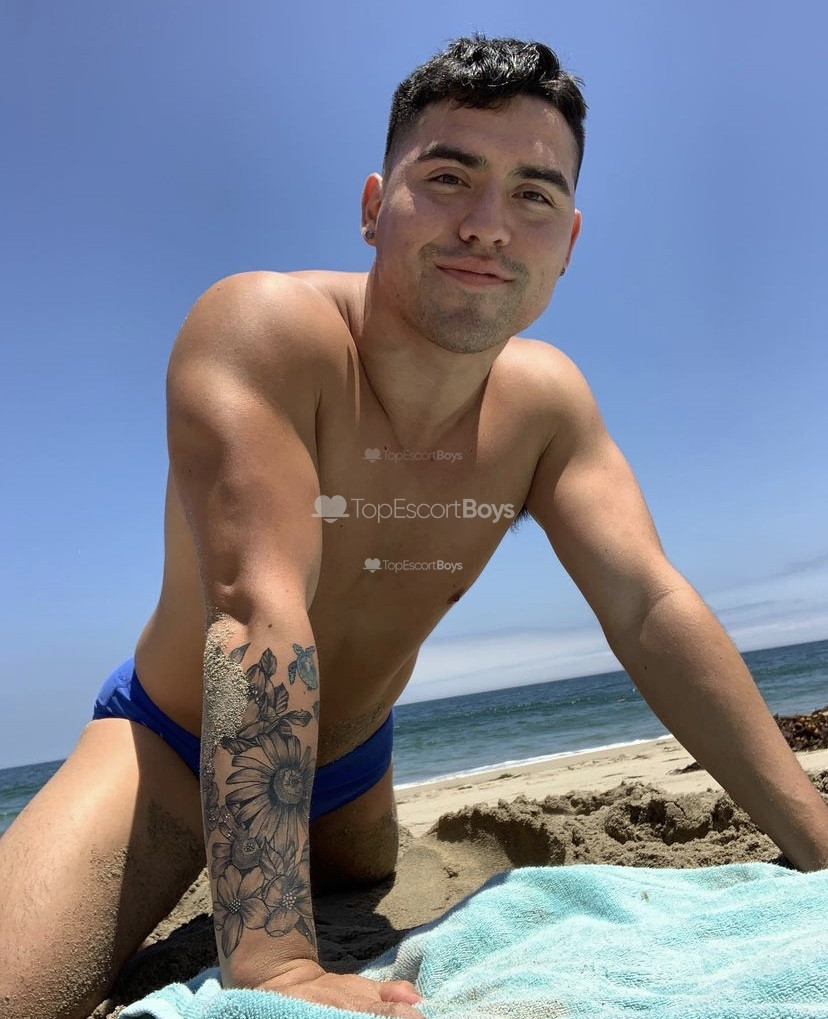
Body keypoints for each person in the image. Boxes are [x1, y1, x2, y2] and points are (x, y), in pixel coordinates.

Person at [2, 34, 827, 1019]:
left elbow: (648, 604)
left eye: (533, 195)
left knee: (362, 880)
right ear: (372, 206)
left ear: (568, 242)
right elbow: (257, 605)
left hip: (356, 767)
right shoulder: (264, 329)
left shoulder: (548, 407)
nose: (487, 225)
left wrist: (818, 842)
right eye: (448, 178)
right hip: (174, 744)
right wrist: (276, 961)